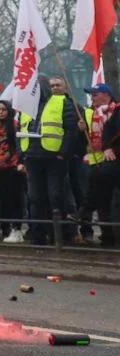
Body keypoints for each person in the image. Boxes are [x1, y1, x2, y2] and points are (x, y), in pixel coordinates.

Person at [19, 76, 84, 246]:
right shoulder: (26, 107)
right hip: (32, 158)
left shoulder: (63, 102)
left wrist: (63, 154)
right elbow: (19, 130)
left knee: (56, 196)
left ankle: (61, 236)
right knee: (34, 198)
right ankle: (38, 237)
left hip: (54, 158)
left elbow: (71, 131)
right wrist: (22, 155)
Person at [79, 84, 118, 247]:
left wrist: (110, 147)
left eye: (95, 94)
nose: (92, 98)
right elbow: (89, 136)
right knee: (103, 201)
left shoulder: (116, 111)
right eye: (91, 95)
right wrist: (82, 129)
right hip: (96, 159)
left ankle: (84, 213)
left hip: (113, 160)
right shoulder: (90, 112)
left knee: (109, 199)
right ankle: (107, 236)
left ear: (106, 95)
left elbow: (111, 133)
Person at [0, 100, 28, 243]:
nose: (1, 112)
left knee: (15, 199)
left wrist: (17, 161)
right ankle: (6, 228)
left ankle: (17, 229)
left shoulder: (14, 125)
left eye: (3, 109)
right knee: (3, 199)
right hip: (0, 168)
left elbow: (17, 146)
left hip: (13, 167)